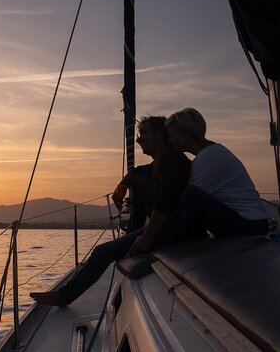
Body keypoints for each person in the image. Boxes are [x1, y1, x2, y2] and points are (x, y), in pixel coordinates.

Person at [30, 116, 190, 307]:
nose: (138, 139)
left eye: (142, 133)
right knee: (136, 179)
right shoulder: (161, 162)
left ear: (159, 135)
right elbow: (137, 173)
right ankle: (131, 235)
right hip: (169, 226)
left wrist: (147, 237)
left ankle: (64, 297)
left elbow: (166, 203)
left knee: (101, 252)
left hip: (172, 231)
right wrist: (124, 183)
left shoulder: (171, 160)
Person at [164, 108, 269, 241]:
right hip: (251, 223)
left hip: (249, 226)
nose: (169, 141)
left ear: (187, 134)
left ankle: (164, 243)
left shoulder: (208, 157)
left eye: (172, 135)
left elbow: (189, 204)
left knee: (192, 194)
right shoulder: (212, 153)